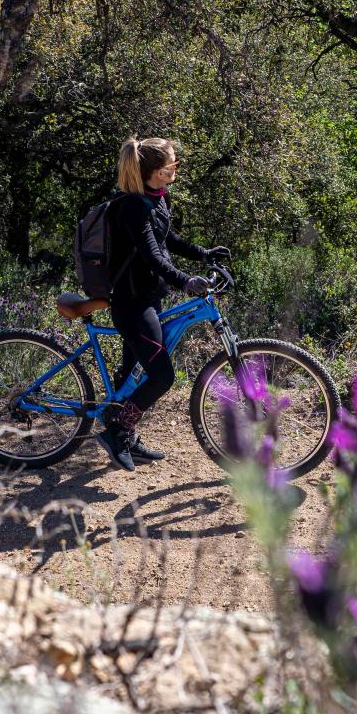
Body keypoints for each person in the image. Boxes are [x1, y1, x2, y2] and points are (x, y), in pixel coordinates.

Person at [97, 136, 231, 472]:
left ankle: (125, 434)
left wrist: (203, 253)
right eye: (172, 164)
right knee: (160, 376)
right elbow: (153, 257)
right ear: (156, 171)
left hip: (147, 298)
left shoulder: (154, 199)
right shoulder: (132, 207)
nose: (176, 169)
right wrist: (186, 280)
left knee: (133, 374)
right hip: (131, 305)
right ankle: (117, 432)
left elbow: (165, 237)